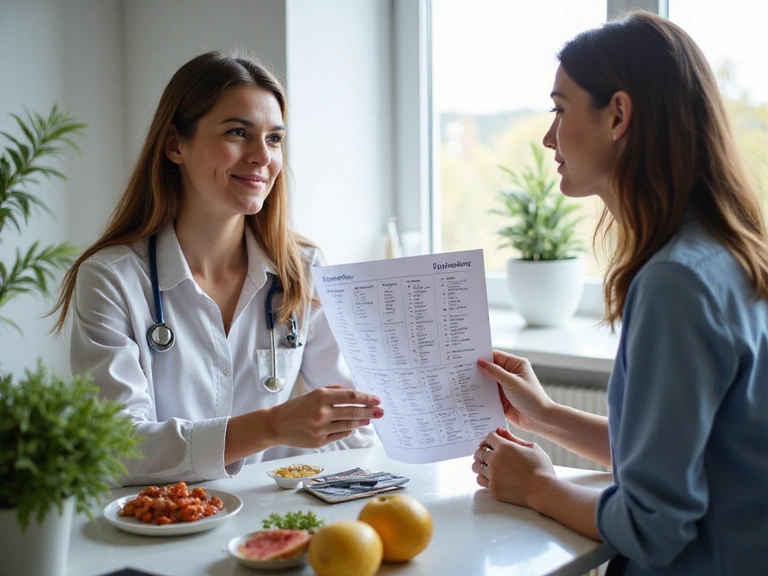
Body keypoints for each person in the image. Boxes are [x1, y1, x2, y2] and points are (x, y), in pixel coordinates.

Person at [471, 11, 768, 576]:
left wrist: (537, 487)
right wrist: (545, 415)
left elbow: (653, 524)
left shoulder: (676, 283)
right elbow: (680, 456)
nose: (549, 137)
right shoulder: (724, 255)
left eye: (560, 109)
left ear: (618, 115)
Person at [51, 50, 383, 486]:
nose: (261, 156)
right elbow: (116, 449)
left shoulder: (303, 270)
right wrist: (271, 427)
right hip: (164, 518)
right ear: (175, 145)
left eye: (274, 139)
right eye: (237, 133)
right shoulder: (111, 279)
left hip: (276, 513)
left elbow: (353, 430)